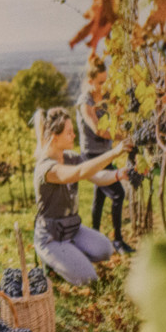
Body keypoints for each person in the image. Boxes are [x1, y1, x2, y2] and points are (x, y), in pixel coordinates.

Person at [33, 107, 129, 285]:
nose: (74, 135)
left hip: (73, 230)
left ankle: (69, 255)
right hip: (51, 237)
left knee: (106, 249)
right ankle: (53, 261)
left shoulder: (71, 157)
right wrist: (114, 152)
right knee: (89, 279)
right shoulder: (46, 168)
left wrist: (118, 174)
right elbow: (78, 172)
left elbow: (97, 176)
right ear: (55, 137)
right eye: (69, 132)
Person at [77, 56, 132, 254]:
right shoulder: (85, 103)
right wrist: (123, 136)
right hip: (92, 157)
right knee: (118, 194)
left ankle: (94, 239)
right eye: (100, 82)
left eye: (105, 81)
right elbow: (98, 130)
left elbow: (119, 110)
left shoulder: (106, 95)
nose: (104, 86)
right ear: (90, 81)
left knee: (99, 198)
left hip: (105, 155)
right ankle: (118, 241)